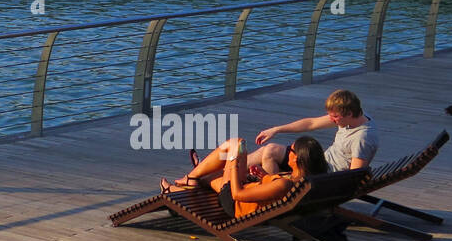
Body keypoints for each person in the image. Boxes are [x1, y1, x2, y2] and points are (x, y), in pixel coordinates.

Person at [162, 136, 328, 219]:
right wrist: (264, 177)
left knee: (233, 147)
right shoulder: (302, 179)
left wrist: (233, 164)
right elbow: (273, 189)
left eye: (290, 150)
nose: (287, 152)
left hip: (234, 202)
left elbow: (237, 195)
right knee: (237, 148)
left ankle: (189, 179)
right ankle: (192, 179)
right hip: (248, 192)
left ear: (296, 159)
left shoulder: (286, 184)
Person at [248, 88, 378, 174]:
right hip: (320, 162)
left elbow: (354, 175)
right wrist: (276, 130)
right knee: (267, 149)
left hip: (323, 175)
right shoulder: (354, 117)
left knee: (269, 153)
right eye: (330, 115)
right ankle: (230, 170)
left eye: (335, 116)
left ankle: (272, 194)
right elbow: (311, 123)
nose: (332, 120)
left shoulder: (363, 138)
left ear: (349, 113)